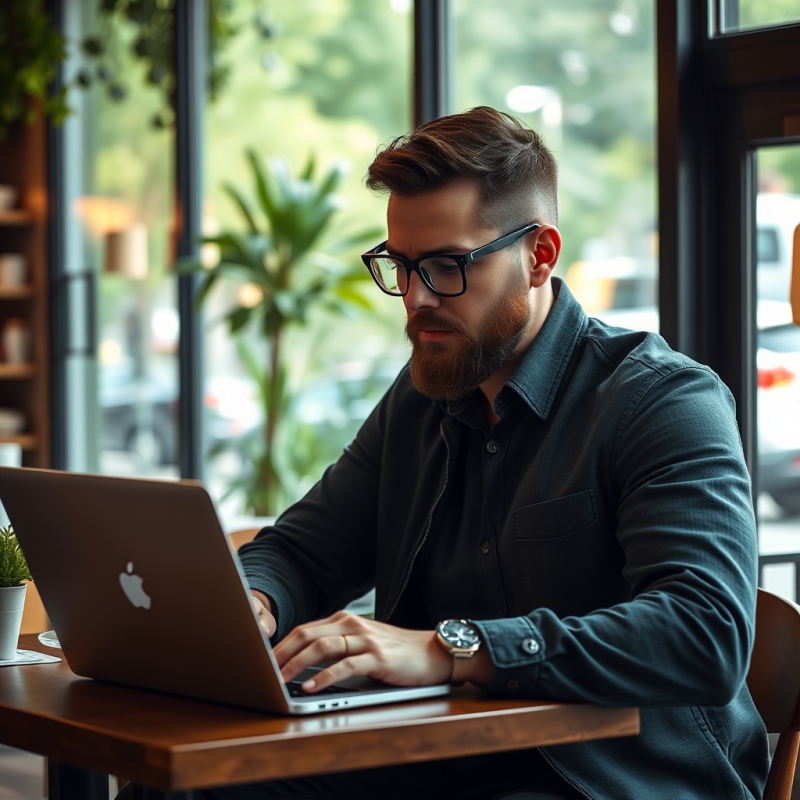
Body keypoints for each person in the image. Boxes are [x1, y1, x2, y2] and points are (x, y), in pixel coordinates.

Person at [220, 108, 770, 799]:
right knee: (194, 786)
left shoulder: (663, 402)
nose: (416, 299)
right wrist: (254, 601)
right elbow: (303, 551)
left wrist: (446, 647)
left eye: (447, 266)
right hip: (437, 761)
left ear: (538, 256)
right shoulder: (424, 396)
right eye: (401, 265)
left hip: (616, 778)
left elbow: (703, 632)